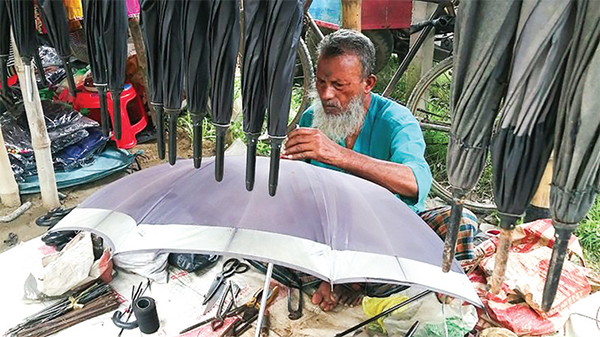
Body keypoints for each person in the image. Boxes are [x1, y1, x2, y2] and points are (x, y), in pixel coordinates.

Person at [281, 29, 478, 312]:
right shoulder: (313, 117)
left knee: (461, 224)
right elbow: (300, 192)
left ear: (367, 83)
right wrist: (290, 170)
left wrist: (338, 154)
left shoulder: (396, 120)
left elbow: (414, 183)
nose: (326, 94)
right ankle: (345, 278)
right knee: (268, 235)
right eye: (321, 82)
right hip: (330, 234)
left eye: (339, 84)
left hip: (387, 236)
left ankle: (353, 280)